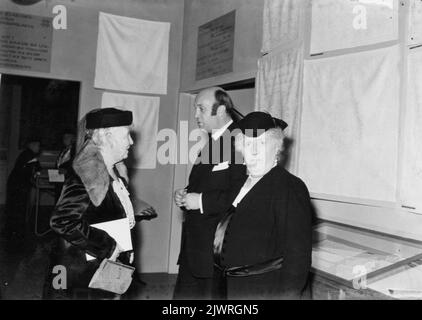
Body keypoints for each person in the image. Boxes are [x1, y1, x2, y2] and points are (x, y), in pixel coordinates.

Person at [212, 111, 313, 300]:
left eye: (262, 143)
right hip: (228, 287)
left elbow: (297, 259)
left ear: (276, 148)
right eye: (249, 144)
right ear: (241, 147)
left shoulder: (289, 187)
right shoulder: (239, 184)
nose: (255, 151)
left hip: (264, 291)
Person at [48, 108, 137, 299]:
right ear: (105, 136)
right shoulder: (88, 173)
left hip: (104, 273)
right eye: (126, 135)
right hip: (83, 277)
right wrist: (108, 246)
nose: (131, 141)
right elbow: (63, 221)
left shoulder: (113, 171)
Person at [173, 87, 246, 300]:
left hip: (215, 249)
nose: (196, 115)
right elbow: (210, 183)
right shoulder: (214, 140)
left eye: (201, 109)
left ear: (221, 110)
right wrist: (186, 194)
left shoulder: (239, 141)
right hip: (195, 249)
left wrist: (201, 201)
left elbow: (242, 193)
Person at [3, 138, 41, 249]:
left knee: (15, 209)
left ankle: (13, 232)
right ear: (32, 145)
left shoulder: (26, 154)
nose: (39, 148)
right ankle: (17, 234)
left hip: (17, 185)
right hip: (19, 186)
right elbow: (37, 167)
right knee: (18, 209)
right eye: (38, 146)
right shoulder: (29, 155)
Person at [54, 131, 76, 202]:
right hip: (59, 180)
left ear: (73, 138)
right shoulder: (63, 150)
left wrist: (67, 171)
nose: (65, 139)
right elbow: (59, 163)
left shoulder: (75, 151)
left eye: (67, 137)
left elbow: (76, 165)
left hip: (69, 181)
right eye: (64, 137)